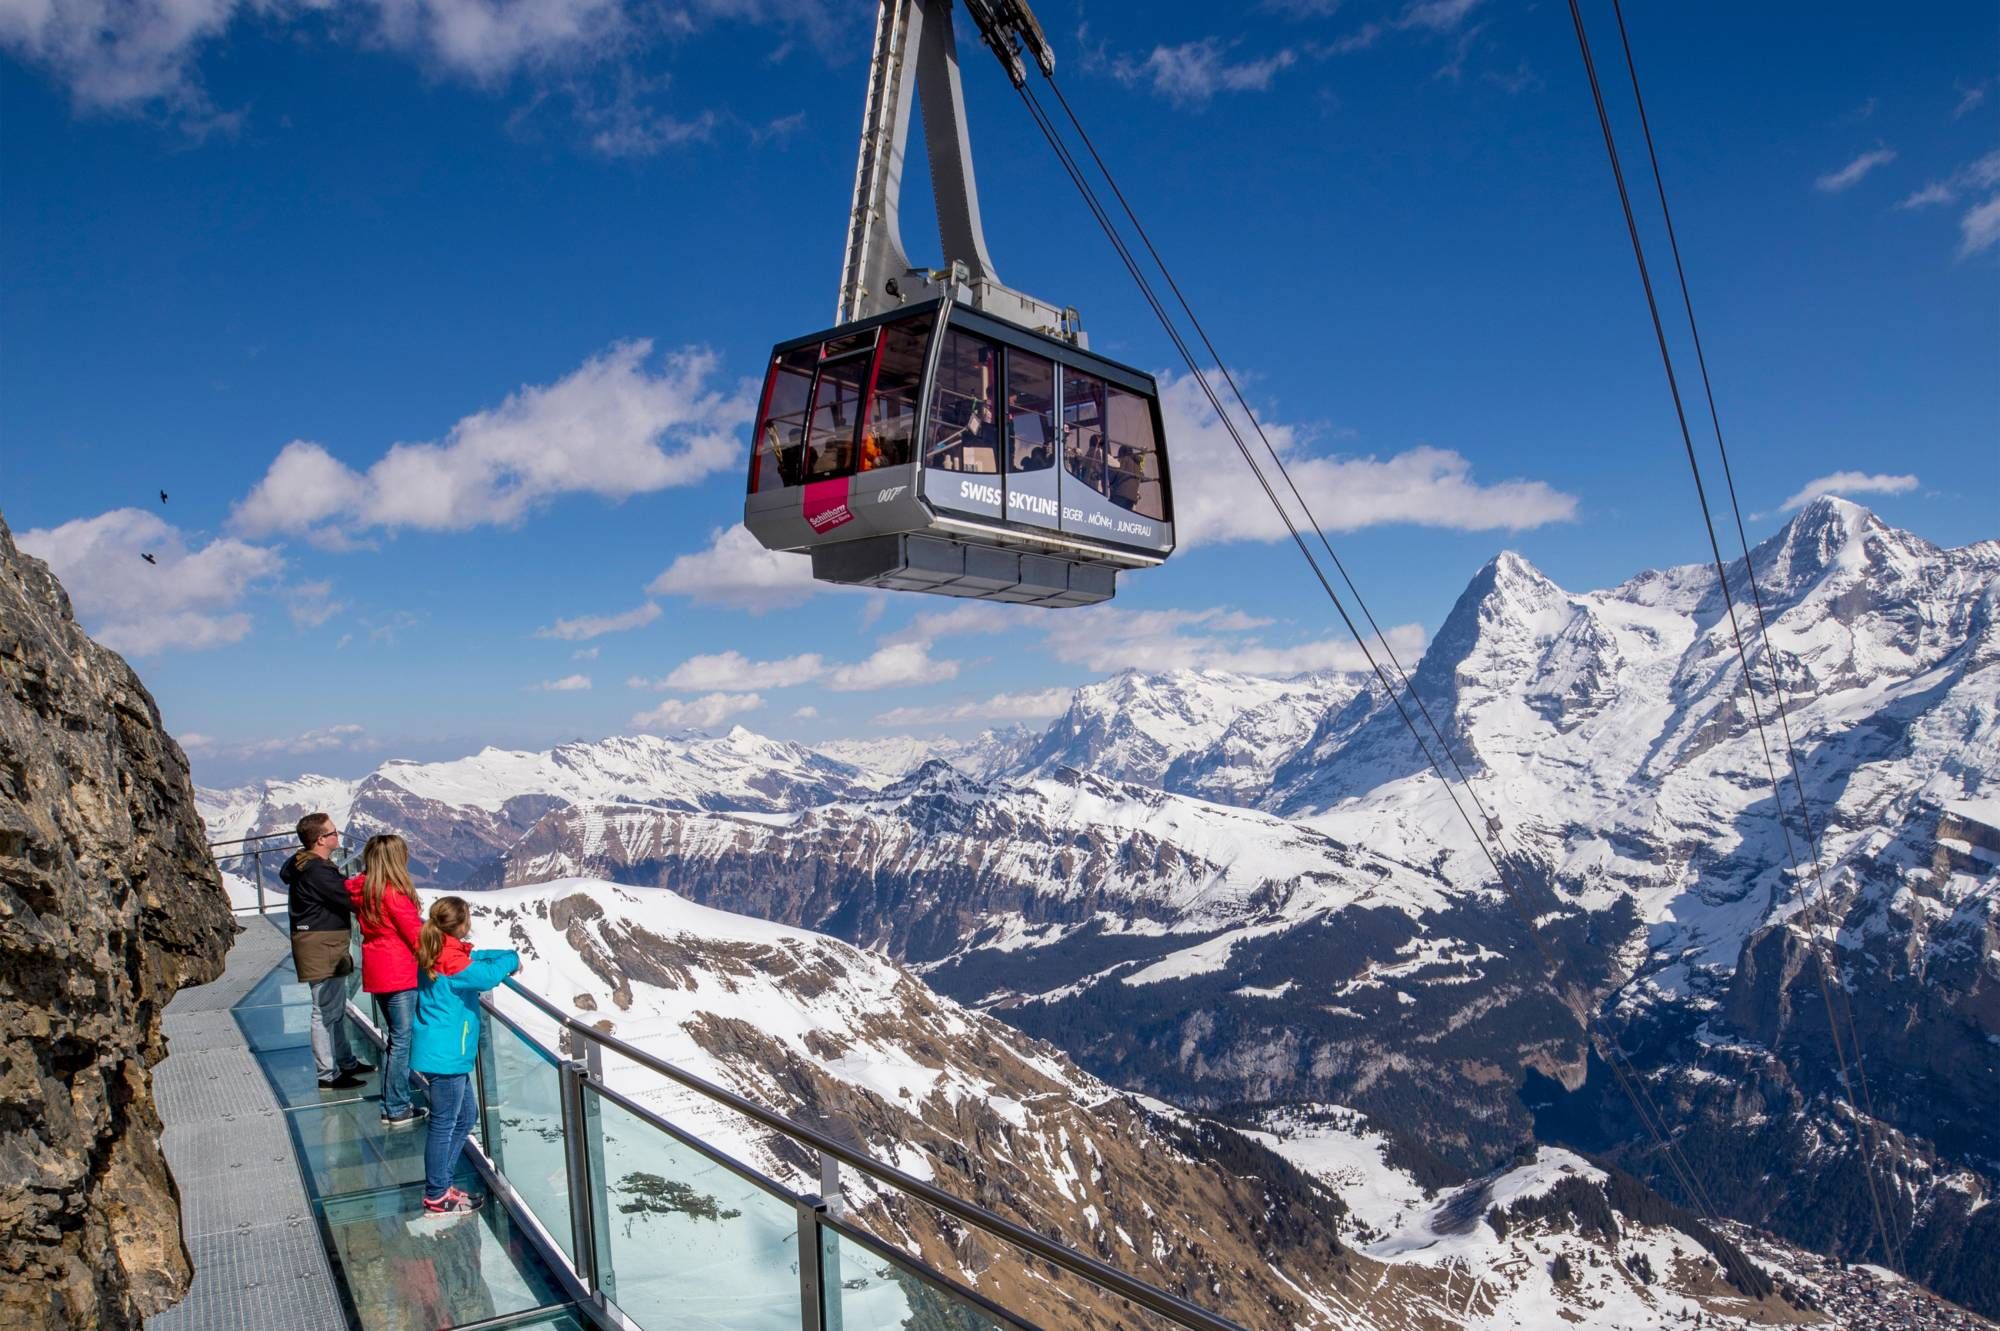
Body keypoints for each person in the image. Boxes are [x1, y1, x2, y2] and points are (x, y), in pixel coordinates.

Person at [411, 896, 518, 1215]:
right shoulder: (451, 961)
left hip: (443, 1051)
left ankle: (442, 1183)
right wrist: (512, 959)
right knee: (444, 1123)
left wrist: (497, 955)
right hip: (446, 1055)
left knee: (465, 1116)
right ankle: (436, 1194)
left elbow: (471, 957)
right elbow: (485, 977)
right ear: (460, 924)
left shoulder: (439, 949)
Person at [279, 813, 375, 1090]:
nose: (337, 836)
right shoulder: (318, 871)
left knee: (334, 1007)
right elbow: (349, 899)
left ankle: (345, 1062)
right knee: (323, 1011)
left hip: (319, 942)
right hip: (323, 945)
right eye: (333, 833)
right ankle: (327, 1074)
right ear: (320, 839)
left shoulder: (302, 863)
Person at [345, 835, 428, 1129]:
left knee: (395, 1039)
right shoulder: (393, 894)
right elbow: (416, 936)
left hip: (377, 970)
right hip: (399, 972)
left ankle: (393, 1103)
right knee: (402, 1041)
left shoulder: (362, 890)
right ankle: (396, 1107)